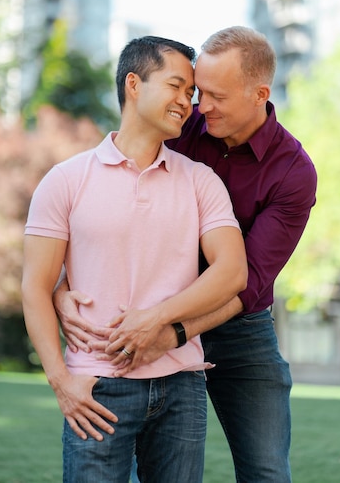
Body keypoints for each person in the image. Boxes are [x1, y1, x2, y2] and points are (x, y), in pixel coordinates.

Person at [54, 26, 317, 483]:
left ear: (259, 95)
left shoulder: (293, 172)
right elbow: (106, 201)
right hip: (151, 312)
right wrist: (59, 288)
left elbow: (246, 279)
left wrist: (173, 330)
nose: (200, 105)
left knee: (267, 469)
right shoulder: (180, 125)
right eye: (198, 91)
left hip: (239, 326)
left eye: (215, 95)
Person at [22, 35, 247, 483]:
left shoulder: (201, 182)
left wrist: (157, 319)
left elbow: (232, 272)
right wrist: (62, 382)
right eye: (176, 86)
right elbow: (35, 286)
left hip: (182, 384)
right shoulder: (65, 180)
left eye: (191, 93)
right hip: (97, 389)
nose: (188, 102)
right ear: (133, 84)